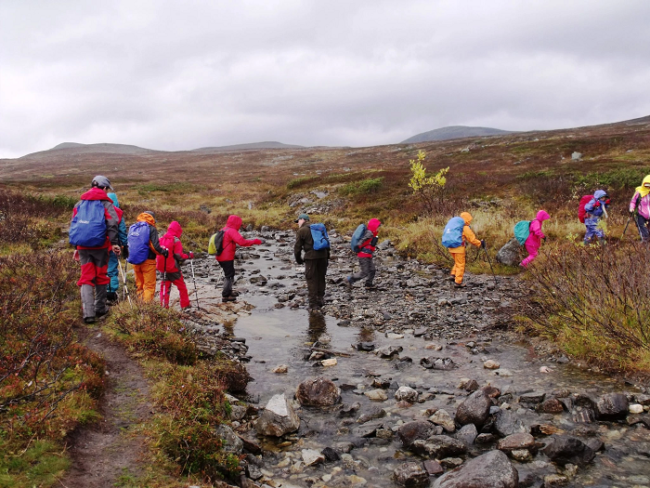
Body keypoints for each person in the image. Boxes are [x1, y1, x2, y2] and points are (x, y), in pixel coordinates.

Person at [70, 176, 121, 324]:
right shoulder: (106, 203)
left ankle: (88, 313)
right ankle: (100, 308)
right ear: (104, 188)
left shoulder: (80, 203)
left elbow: (75, 225)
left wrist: (76, 247)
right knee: (100, 276)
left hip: (82, 246)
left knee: (86, 277)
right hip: (100, 246)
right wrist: (114, 243)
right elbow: (112, 223)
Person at [216, 215, 262, 303]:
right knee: (229, 276)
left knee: (229, 273)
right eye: (239, 224)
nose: (240, 226)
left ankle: (228, 292)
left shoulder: (223, 229)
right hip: (226, 257)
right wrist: (255, 241)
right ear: (236, 223)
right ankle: (226, 295)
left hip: (220, 255)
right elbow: (242, 242)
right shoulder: (232, 231)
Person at [128, 211, 167, 302]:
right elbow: (155, 247)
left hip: (135, 260)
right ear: (152, 219)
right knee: (149, 286)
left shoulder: (134, 227)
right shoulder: (151, 228)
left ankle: (139, 306)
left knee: (140, 285)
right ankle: (146, 310)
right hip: (148, 261)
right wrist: (163, 252)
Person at [294, 213, 330, 311]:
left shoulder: (302, 231)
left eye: (298, 221)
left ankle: (313, 303)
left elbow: (297, 248)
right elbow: (327, 241)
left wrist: (299, 259)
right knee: (321, 277)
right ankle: (320, 298)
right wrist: (327, 256)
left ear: (302, 220)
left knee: (311, 279)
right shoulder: (318, 228)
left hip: (311, 258)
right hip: (323, 256)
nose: (298, 223)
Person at [157, 221, 193, 309]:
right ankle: (185, 304)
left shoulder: (161, 239)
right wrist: (188, 256)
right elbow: (179, 256)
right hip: (173, 268)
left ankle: (163, 306)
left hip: (162, 268)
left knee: (165, 288)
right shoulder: (175, 240)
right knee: (182, 287)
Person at [448, 212, 483, 288]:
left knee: (457, 262)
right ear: (467, 219)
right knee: (460, 264)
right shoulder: (465, 227)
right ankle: (458, 282)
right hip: (459, 248)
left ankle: (453, 275)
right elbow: (472, 239)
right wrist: (480, 243)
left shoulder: (455, 225)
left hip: (451, 247)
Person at [346, 218, 381, 289]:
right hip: (363, 255)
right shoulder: (369, 233)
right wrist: (359, 246)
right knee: (364, 272)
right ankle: (350, 279)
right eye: (378, 227)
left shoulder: (372, 233)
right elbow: (362, 240)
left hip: (368, 255)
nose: (378, 228)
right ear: (374, 226)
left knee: (372, 270)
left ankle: (368, 284)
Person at [106, 192, 128, 303]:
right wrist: (125, 245)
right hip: (112, 246)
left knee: (101, 269)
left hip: (99, 246)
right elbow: (122, 231)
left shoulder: (100, 211)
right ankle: (110, 293)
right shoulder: (118, 213)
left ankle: (101, 292)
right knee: (111, 269)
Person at [629, 175, 650, 242]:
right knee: (643, 230)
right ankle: (644, 243)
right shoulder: (639, 192)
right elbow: (633, 201)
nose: (648, 187)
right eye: (647, 185)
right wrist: (632, 208)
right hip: (641, 214)